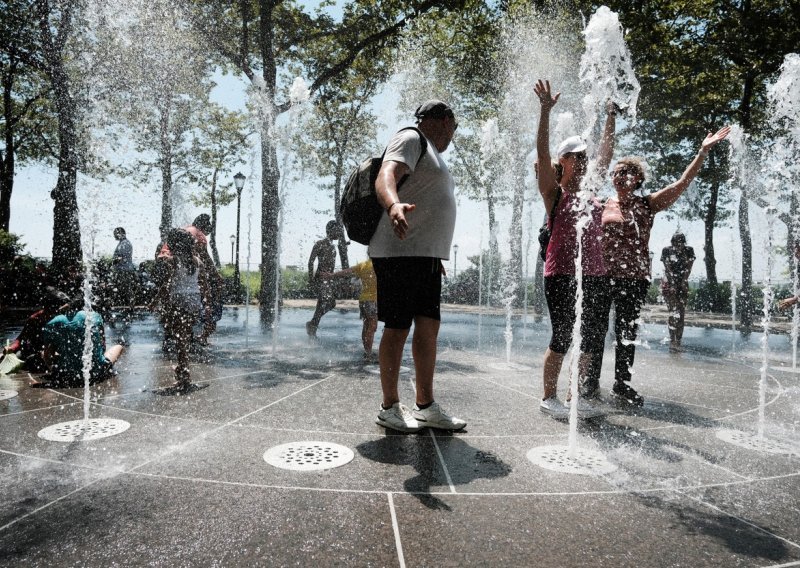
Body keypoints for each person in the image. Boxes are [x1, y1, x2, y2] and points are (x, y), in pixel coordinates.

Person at [599, 125, 731, 406]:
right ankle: (588, 382)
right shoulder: (601, 205)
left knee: (626, 332)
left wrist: (703, 151)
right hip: (602, 276)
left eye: (627, 172)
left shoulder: (647, 204)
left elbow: (682, 183)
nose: (620, 176)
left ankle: (622, 384)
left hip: (634, 279)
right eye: (616, 172)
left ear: (637, 179)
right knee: (596, 330)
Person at [369, 99, 465, 433]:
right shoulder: (411, 137)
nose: (453, 134)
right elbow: (386, 174)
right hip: (398, 251)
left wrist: (433, 254)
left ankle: (424, 405)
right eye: (454, 126)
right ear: (443, 120)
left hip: (423, 255)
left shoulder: (432, 152)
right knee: (397, 328)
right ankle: (389, 407)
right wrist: (394, 205)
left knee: (428, 327)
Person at [534, 79, 616, 419]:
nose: (584, 162)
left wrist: (611, 115)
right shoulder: (555, 194)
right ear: (564, 160)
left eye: (586, 157)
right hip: (562, 274)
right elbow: (541, 153)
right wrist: (544, 112)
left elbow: (607, 151)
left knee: (590, 341)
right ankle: (548, 397)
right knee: (563, 336)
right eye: (577, 157)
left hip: (595, 274)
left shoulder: (592, 194)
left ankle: (574, 397)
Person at [151, 228, 211, 393]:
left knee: (181, 341)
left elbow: (167, 285)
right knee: (184, 339)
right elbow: (204, 284)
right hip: (194, 302)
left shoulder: (173, 261)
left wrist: (155, 301)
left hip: (178, 302)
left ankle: (185, 378)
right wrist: (207, 304)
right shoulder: (197, 261)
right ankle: (183, 371)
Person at [157, 214, 223, 346]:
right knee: (206, 304)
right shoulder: (199, 235)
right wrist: (216, 276)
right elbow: (205, 260)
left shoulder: (184, 229)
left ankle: (171, 335)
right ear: (204, 226)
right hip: (181, 272)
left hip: (164, 266)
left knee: (172, 308)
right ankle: (197, 337)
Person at [39, 304, 124, 387]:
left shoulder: (53, 322)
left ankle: (57, 372)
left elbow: (48, 356)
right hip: (95, 372)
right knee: (118, 347)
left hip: (65, 374)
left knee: (44, 352)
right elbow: (103, 347)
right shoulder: (95, 316)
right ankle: (104, 368)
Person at [2, 287, 73, 373]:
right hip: (34, 352)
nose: (53, 314)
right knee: (17, 359)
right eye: (50, 311)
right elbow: (20, 339)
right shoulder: (35, 319)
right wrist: (11, 348)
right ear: (45, 308)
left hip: (54, 353)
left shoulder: (63, 320)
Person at [321, 258, 378, 361]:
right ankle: (368, 354)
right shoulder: (380, 264)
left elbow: (347, 271)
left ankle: (367, 352)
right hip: (373, 300)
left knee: (366, 325)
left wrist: (331, 275)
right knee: (372, 326)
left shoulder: (363, 265)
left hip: (363, 299)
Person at [306, 220, 341, 337]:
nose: (339, 232)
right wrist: (310, 279)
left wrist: (333, 279)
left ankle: (313, 326)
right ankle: (312, 324)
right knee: (330, 303)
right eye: (337, 230)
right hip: (321, 279)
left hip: (329, 280)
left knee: (322, 304)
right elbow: (310, 262)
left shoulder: (332, 246)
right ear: (330, 230)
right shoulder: (320, 244)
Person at [660, 232, 695, 351]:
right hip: (669, 283)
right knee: (673, 312)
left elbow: (688, 268)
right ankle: (672, 340)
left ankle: (679, 341)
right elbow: (667, 268)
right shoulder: (667, 250)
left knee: (681, 314)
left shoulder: (689, 250)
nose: (677, 246)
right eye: (675, 243)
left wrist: (683, 281)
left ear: (684, 243)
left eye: (680, 243)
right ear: (672, 242)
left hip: (683, 284)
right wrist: (673, 284)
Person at [112, 227, 138, 314]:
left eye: (115, 233)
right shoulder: (122, 243)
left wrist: (114, 261)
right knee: (124, 288)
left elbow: (121, 257)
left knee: (127, 288)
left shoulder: (125, 243)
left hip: (125, 270)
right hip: (123, 269)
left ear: (120, 233)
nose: (114, 235)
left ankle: (131, 307)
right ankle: (128, 306)